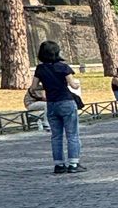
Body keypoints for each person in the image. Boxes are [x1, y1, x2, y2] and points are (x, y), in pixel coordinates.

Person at [34, 40, 83, 173]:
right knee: (72, 134)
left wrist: (47, 85)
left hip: (51, 104)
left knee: (56, 135)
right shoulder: (63, 67)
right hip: (66, 101)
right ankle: (73, 163)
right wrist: (77, 85)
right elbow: (73, 85)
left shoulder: (40, 69)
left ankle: (59, 164)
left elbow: (33, 88)